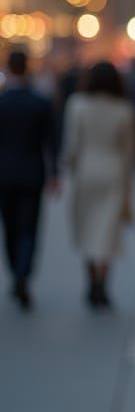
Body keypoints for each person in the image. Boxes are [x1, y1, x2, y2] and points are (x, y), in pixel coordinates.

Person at [62, 61, 135, 309]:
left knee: (87, 226)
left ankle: (91, 279)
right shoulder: (124, 109)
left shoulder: (77, 105)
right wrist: (129, 188)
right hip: (113, 171)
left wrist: (70, 167)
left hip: (87, 170)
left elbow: (72, 145)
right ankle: (102, 283)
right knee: (107, 231)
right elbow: (128, 153)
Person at [0, 50, 58, 310]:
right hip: (32, 174)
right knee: (29, 229)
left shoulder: (3, 102)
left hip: (5, 175)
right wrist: (54, 173)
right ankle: (23, 273)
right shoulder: (40, 102)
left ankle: (17, 271)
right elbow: (51, 143)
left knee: (10, 227)